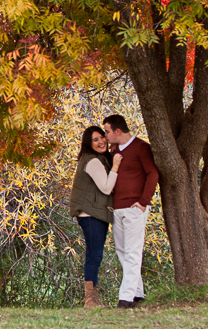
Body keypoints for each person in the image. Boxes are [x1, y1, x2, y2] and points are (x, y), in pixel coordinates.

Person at [102, 114, 159, 309]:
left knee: (133, 252)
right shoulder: (114, 150)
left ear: (118, 131)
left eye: (107, 131)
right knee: (122, 251)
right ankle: (137, 293)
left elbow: (153, 173)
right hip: (117, 207)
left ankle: (125, 298)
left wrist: (144, 202)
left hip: (135, 208)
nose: (105, 135)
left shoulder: (141, 148)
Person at [68, 125, 122, 309]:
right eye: (95, 140)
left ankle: (93, 299)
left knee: (95, 255)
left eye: (102, 137)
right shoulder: (92, 161)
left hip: (95, 213)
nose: (101, 142)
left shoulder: (97, 159)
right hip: (90, 214)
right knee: (94, 255)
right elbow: (106, 188)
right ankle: (90, 300)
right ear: (88, 144)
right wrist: (115, 166)